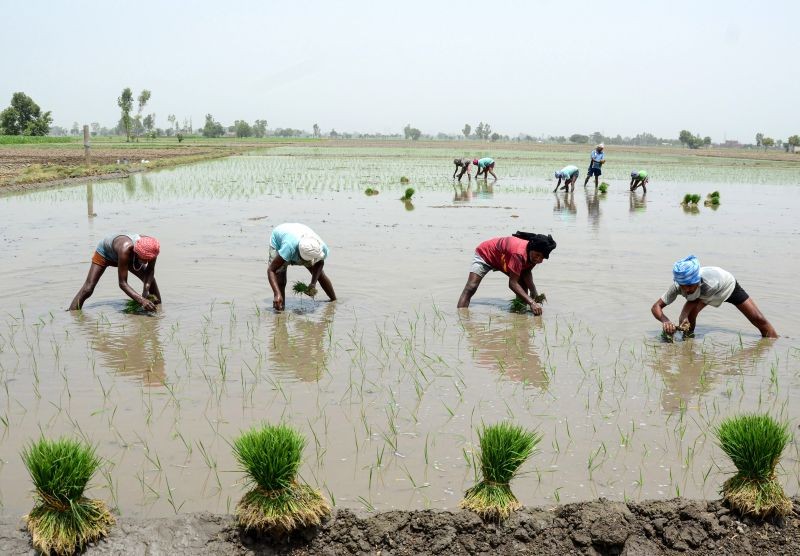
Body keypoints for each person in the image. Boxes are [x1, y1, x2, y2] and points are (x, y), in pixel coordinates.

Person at [651, 255, 778, 338]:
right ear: (679, 283)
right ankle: (688, 340)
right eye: (683, 286)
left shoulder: (708, 285)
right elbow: (656, 307)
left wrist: (682, 316)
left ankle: (773, 338)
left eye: (691, 285)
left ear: (697, 280)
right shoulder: (677, 286)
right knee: (690, 317)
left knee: (758, 318)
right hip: (703, 294)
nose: (687, 289)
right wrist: (665, 321)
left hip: (726, 285)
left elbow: (694, 302)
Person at [457, 232, 557, 314]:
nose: (538, 259)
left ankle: (518, 315)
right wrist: (532, 302)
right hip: (486, 254)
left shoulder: (533, 256)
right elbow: (512, 283)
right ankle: (461, 316)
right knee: (471, 287)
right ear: (531, 249)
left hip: (504, 259)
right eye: (537, 255)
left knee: (523, 286)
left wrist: (533, 290)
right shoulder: (519, 253)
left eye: (542, 257)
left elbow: (526, 271)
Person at [69, 233, 161, 311]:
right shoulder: (126, 249)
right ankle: (72, 313)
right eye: (144, 259)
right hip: (105, 253)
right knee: (88, 289)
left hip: (130, 256)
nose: (146, 262)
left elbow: (150, 270)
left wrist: (145, 292)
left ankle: (157, 310)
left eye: (148, 260)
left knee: (152, 284)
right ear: (137, 253)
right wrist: (142, 300)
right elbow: (122, 283)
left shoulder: (152, 248)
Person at [268, 223, 336, 311]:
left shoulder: (321, 248)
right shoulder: (289, 248)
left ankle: (334, 300)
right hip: (280, 240)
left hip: (299, 232)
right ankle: (280, 309)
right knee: (280, 280)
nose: (304, 262)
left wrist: (313, 284)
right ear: (299, 255)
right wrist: (277, 293)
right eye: (304, 260)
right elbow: (271, 270)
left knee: (320, 275)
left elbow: (320, 263)